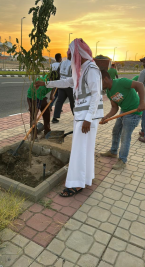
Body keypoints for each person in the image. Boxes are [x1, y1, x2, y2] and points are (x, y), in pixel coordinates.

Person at [35, 38, 103, 196]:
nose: (68, 55)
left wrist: (87, 119)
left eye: (70, 52)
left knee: (79, 150)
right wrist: (47, 84)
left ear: (78, 53)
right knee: (83, 149)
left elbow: (96, 95)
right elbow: (68, 81)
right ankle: (84, 179)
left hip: (87, 117)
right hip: (83, 115)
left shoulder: (91, 69)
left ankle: (77, 184)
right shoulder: (83, 69)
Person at [100, 71, 145, 170]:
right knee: (116, 131)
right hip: (124, 111)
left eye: (99, 82)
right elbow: (114, 107)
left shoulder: (121, 82)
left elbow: (140, 85)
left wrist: (142, 102)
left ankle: (122, 160)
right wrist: (106, 116)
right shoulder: (109, 92)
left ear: (106, 79)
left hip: (134, 112)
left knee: (125, 137)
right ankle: (113, 152)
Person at [27, 74, 54, 140]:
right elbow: (37, 105)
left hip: (41, 96)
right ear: (49, 79)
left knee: (47, 113)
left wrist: (51, 95)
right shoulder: (41, 86)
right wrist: (35, 118)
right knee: (33, 116)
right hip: (32, 97)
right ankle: (34, 136)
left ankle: (47, 132)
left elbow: (55, 86)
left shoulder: (54, 82)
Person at [52, 53, 74, 123]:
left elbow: (57, 73)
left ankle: (55, 118)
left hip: (62, 85)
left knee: (59, 101)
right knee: (73, 101)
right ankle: (76, 117)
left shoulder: (62, 63)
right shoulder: (73, 64)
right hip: (70, 86)